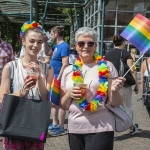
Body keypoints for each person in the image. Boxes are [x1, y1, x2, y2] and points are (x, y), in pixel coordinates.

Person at [60, 27, 125, 150]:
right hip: (75, 128)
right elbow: (63, 106)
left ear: (95, 46)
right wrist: (69, 94)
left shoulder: (107, 67)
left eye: (90, 43)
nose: (86, 46)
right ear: (75, 46)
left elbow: (115, 102)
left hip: (102, 126)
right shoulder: (68, 70)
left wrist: (115, 91)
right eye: (81, 43)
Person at [0, 21, 54, 150]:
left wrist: (40, 77)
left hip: (37, 123)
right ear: (23, 41)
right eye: (32, 41)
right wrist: (22, 91)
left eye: (39, 42)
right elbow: (2, 98)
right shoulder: (11, 67)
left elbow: (45, 97)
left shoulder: (48, 69)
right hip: (14, 121)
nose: (35, 45)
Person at [105, 34, 139, 135]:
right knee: (127, 106)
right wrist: (136, 84)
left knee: (112, 108)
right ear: (123, 43)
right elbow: (132, 70)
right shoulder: (125, 54)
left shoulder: (108, 54)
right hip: (124, 84)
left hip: (111, 85)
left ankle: (111, 131)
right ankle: (131, 127)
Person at [44, 26, 70, 136]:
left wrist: (59, 78)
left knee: (59, 102)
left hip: (58, 77)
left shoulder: (64, 46)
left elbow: (65, 64)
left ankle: (61, 127)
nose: (50, 35)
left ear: (55, 33)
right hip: (53, 76)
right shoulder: (56, 46)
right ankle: (55, 124)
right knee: (53, 102)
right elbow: (47, 52)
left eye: (51, 33)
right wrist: (45, 42)